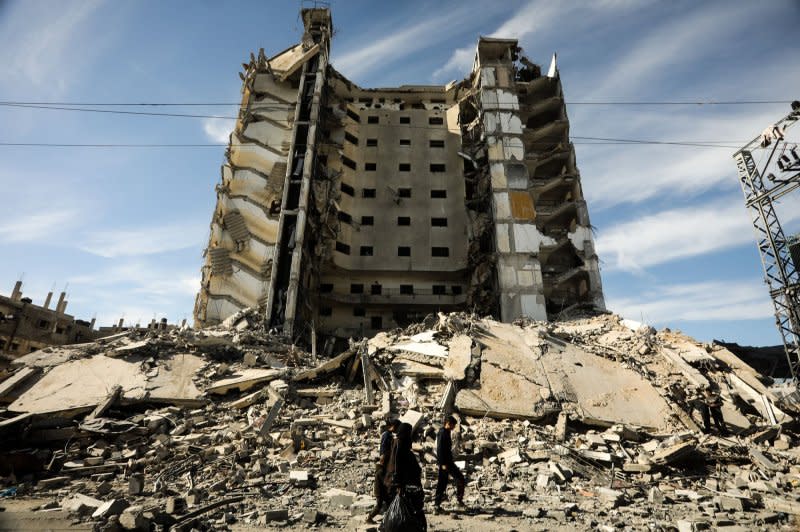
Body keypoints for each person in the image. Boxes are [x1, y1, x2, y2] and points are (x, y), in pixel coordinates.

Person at [384, 422, 426, 530]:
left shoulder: (402, 443)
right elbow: (397, 465)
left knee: (409, 511)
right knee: (408, 510)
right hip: (403, 485)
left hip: (406, 484)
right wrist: (399, 484)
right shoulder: (399, 444)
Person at [366, 419, 400, 523]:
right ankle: (369, 518)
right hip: (381, 486)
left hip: (382, 484)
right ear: (393, 426)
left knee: (386, 502)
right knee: (380, 504)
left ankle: (388, 520)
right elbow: (384, 452)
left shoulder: (388, 435)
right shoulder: (387, 435)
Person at [434, 415, 465, 513]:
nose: (454, 427)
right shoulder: (442, 433)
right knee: (457, 479)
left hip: (448, 462)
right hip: (445, 463)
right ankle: (457, 502)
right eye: (453, 425)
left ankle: (437, 505)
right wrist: (442, 463)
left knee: (444, 483)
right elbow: (440, 449)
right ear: (448, 423)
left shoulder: (446, 432)